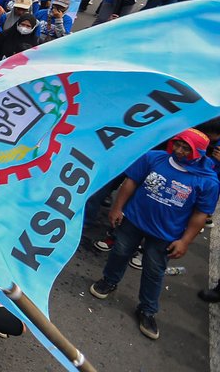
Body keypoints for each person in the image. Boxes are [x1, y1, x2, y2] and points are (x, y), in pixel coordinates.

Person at [89, 129, 218, 340]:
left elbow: (200, 214)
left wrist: (185, 241)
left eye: (187, 148)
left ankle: (147, 310)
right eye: (177, 144)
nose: (179, 150)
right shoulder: (154, 158)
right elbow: (130, 182)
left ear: (199, 152)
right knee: (120, 252)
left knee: (154, 270)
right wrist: (117, 208)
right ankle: (109, 281)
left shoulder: (207, 181)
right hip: (133, 220)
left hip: (165, 234)